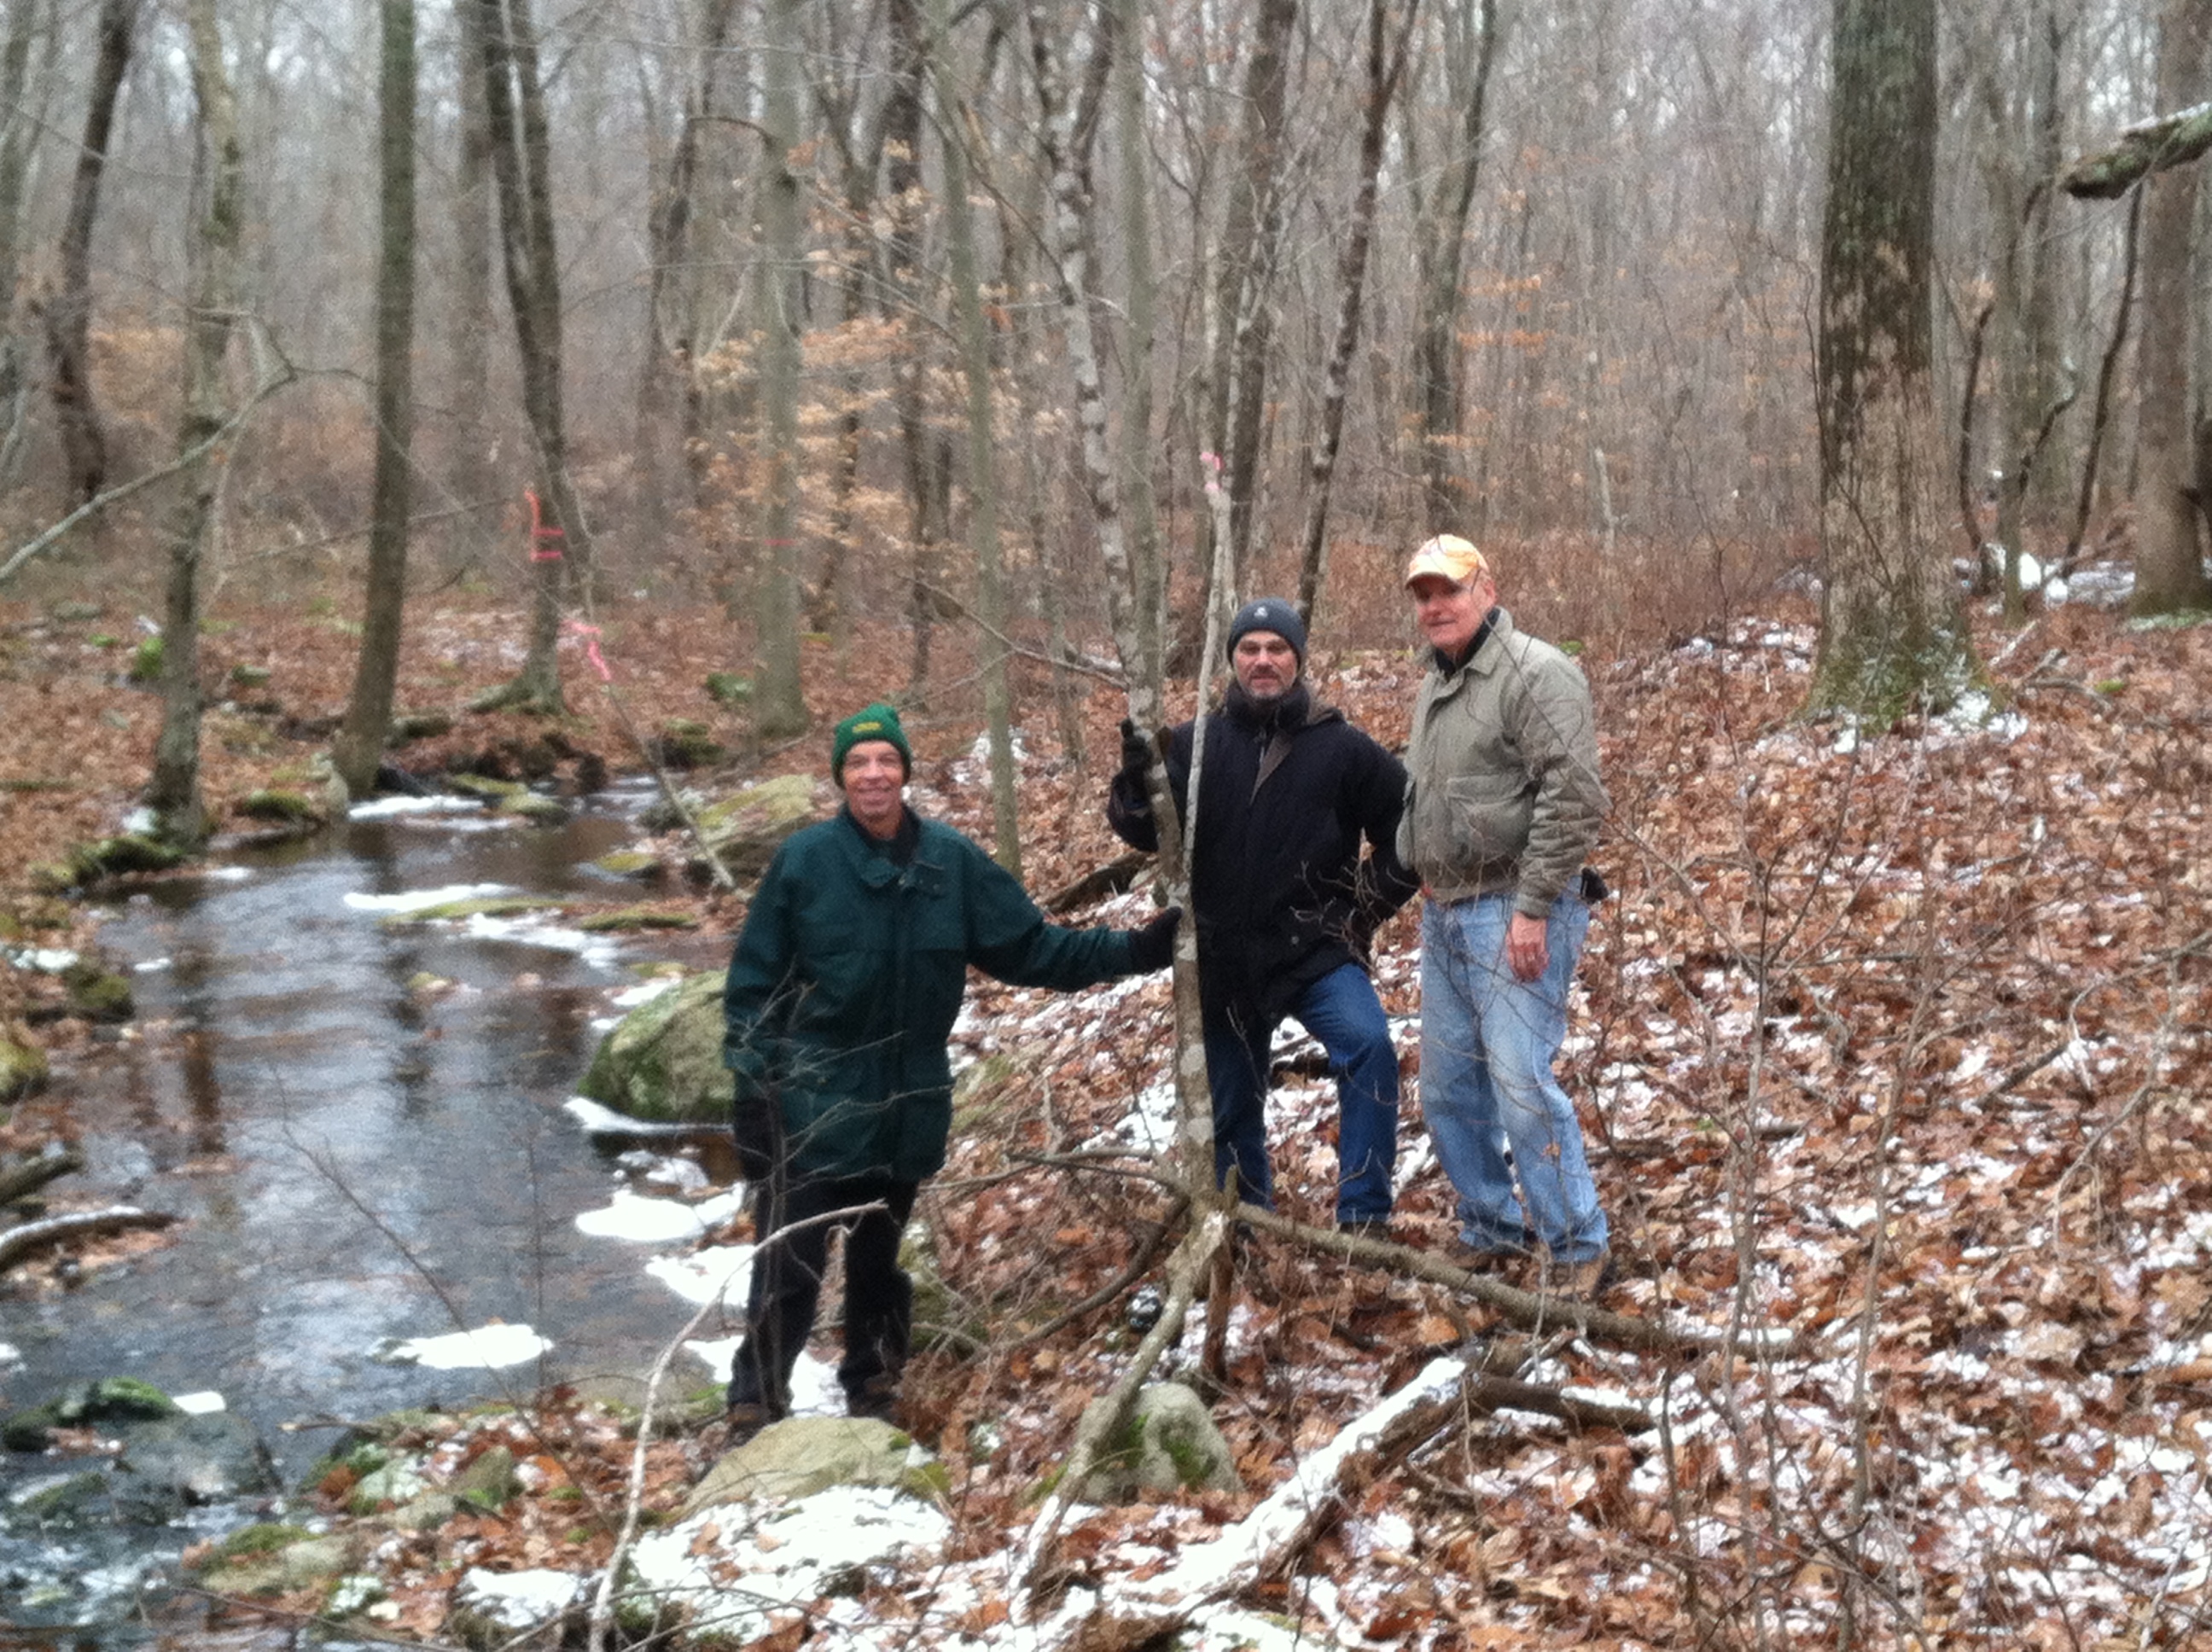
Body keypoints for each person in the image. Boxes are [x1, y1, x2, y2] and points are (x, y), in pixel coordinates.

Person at [722, 702, 1179, 1434]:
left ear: (904, 772)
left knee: (878, 1261)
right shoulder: (804, 864)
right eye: (859, 763)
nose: (874, 775)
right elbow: (753, 988)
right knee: (790, 1267)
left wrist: (1137, 949)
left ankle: (872, 1386)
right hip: (812, 1103)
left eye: (886, 762)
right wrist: (752, 1097)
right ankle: (753, 1405)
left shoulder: (949, 863)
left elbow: (1035, 950)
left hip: (907, 1105)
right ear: (841, 777)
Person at [1108, 597, 1418, 1234]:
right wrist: (1135, 782)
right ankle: (1249, 1226)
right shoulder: (1194, 745)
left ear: (1298, 659)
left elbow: (1409, 833)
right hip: (1221, 956)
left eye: (1277, 648)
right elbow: (1143, 832)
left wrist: (1362, 911)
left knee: (1370, 1051)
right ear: (1232, 660)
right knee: (1231, 1104)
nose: (1263, 660)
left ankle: (1365, 1220)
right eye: (1249, 649)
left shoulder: (1343, 748)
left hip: (1315, 951)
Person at [1399, 535, 1612, 1294]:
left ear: (1486, 589)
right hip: (1447, 913)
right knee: (1449, 1088)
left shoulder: (1536, 671)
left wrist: (1531, 910)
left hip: (1517, 909)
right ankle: (1490, 1224)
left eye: (1448, 591)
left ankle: (1578, 1243)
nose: (1434, 607)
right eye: (1423, 595)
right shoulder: (1437, 682)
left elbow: (1575, 795)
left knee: (1520, 1083)